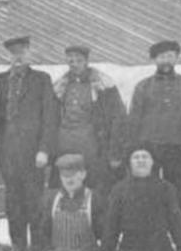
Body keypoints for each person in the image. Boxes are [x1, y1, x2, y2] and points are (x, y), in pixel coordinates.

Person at [0, 35, 58, 251]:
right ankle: (18, 246)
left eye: (22, 52)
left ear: (29, 54)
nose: (17, 57)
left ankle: (38, 248)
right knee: (13, 202)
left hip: (33, 153)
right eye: (13, 53)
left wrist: (44, 150)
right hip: (7, 152)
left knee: (34, 201)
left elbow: (50, 117)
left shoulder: (41, 79)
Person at [126, 40, 181, 208]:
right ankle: (149, 228)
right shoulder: (143, 86)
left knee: (177, 192)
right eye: (161, 57)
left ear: (176, 58)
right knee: (146, 190)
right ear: (154, 60)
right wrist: (135, 148)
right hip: (149, 147)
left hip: (178, 147)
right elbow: (134, 118)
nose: (166, 60)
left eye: (170, 56)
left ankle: (177, 229)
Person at [51, 45, 126, 196]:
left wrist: (115, 152)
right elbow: (51, 117)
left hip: (93, 148)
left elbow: (118, 118)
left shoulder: (104, 85)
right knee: (67, 190)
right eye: (71, 61)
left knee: (95, 191)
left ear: (86, 61)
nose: (75, 64)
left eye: (79, 60)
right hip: (65, 147)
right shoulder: (60, 85)